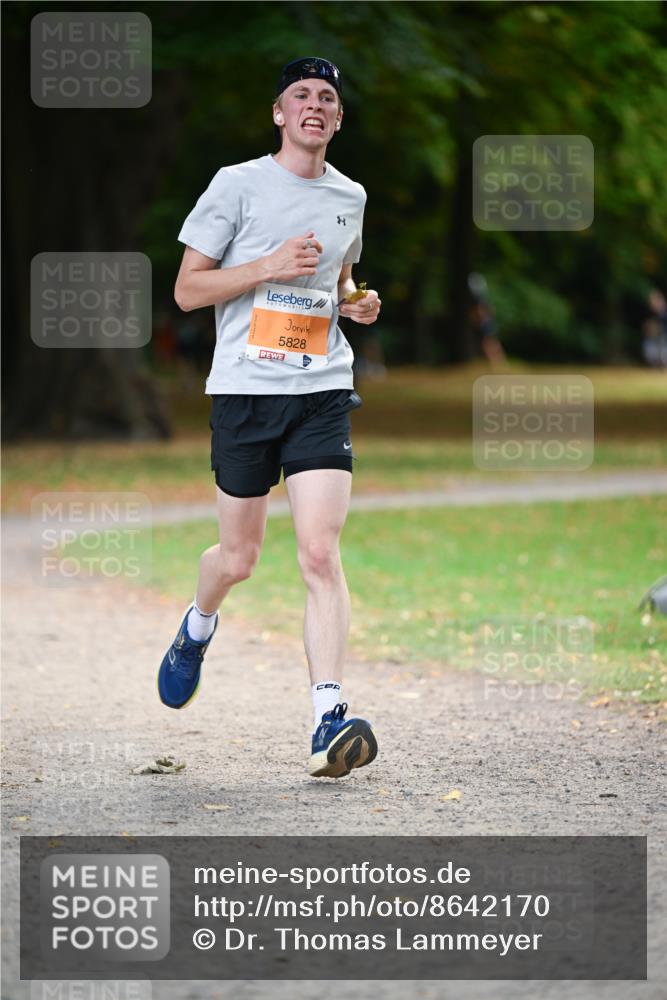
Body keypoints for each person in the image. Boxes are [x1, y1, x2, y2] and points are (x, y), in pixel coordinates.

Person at [157, 57, 381, 779]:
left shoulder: (350, 196)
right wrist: (267, 266)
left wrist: (354, 302)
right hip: (246, 392)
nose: (315, 104)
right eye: (300, 95)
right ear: (280, 114)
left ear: (337, 118)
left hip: (321, 388)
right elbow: (188, 290)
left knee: (319, 552)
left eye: (327, 97)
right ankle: (196, 628)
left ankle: (328, 719)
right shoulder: (237, 184)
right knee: (238, 559)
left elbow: (337, 279)